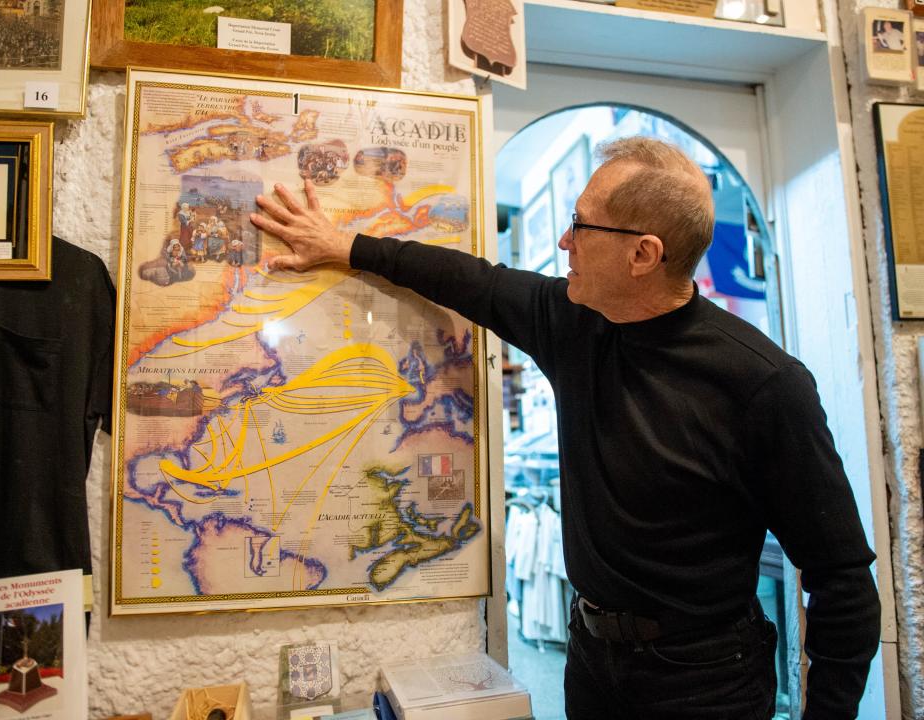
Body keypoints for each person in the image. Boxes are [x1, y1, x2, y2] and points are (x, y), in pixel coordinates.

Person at [250, 137, 881, 720]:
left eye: (581, 224)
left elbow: (842, 582)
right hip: (591, 664)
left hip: (705, 679)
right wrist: (347, 247)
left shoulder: (764, 385)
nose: (563, 242)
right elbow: (471, 280)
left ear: (643, 254)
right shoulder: (576, 320)